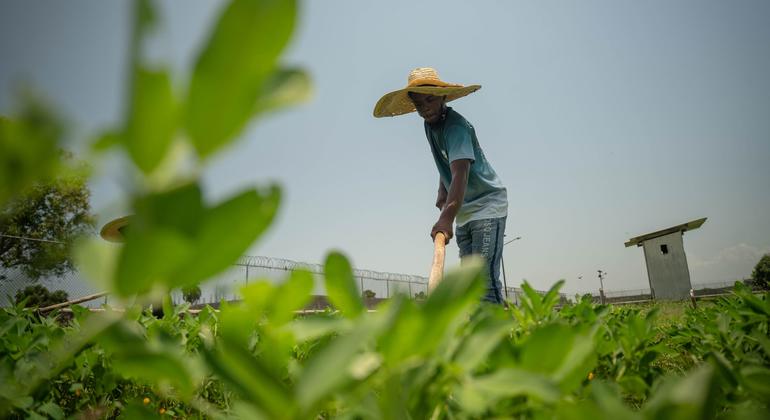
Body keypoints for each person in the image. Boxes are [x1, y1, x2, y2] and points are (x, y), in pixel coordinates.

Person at [374, 67, 509, 304]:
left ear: (443, 97)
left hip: (487, 205)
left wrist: (446, 218)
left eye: (429, 99)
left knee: (484, 284)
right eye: (418, 103)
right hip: (463, 210)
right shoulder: (430, 124)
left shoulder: (455, 126)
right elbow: (448, 163)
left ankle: (496, 337)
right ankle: (475, 337)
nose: (425, 107)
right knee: (469, 285)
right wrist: (442, 191)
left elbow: (460, 173)